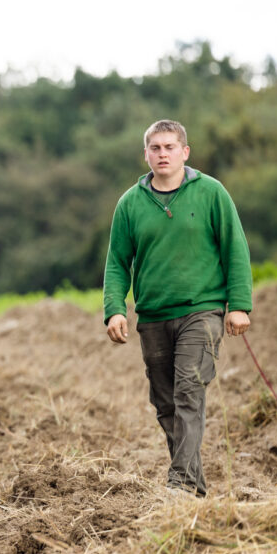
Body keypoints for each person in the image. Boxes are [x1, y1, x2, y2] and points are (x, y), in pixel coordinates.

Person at [103, 119, 252, 497]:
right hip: (153, 316)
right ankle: (193, 490)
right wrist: (115, 308)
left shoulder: (211, 193)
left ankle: (180, 484)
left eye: (170, 147)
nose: (163, 154)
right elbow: (118, 262)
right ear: (146, 155)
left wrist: (239, 305)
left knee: (190, 390)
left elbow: (235, 249)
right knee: (166, 403)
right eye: (155, 148)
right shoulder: (130, 204)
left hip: (201, 310)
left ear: (185, 152)